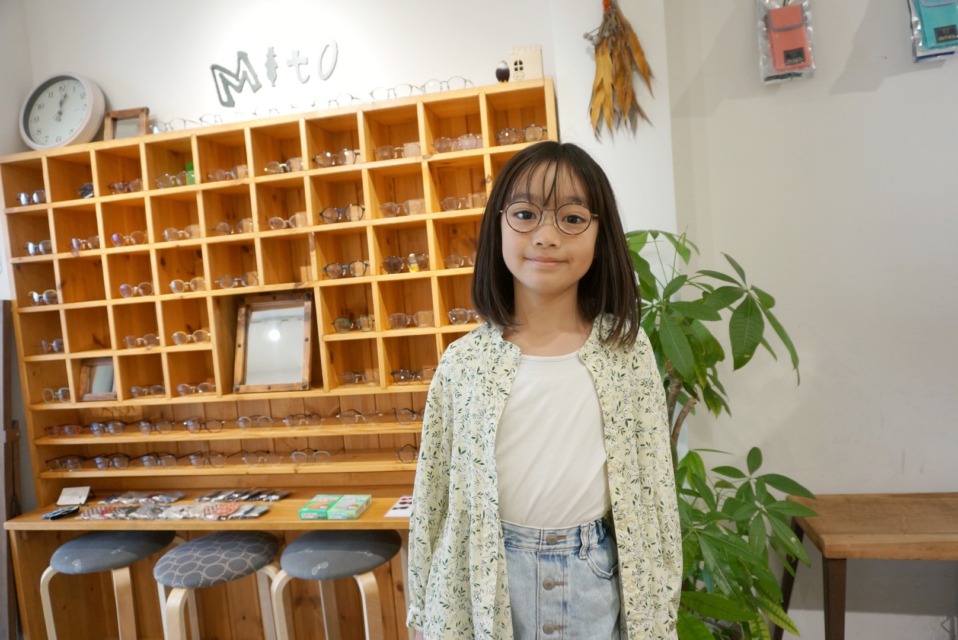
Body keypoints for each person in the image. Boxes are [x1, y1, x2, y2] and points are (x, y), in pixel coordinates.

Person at [406, 141, 681, 639]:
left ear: (600, 233)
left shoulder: (627, 350)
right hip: (487, 579)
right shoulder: (464, 363)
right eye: (525, 214)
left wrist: (661, 602)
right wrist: (426, 609)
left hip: (595, 576)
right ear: (498, 225)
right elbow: (434, 494)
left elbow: (655, 485)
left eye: (572, 218)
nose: (547, 236)